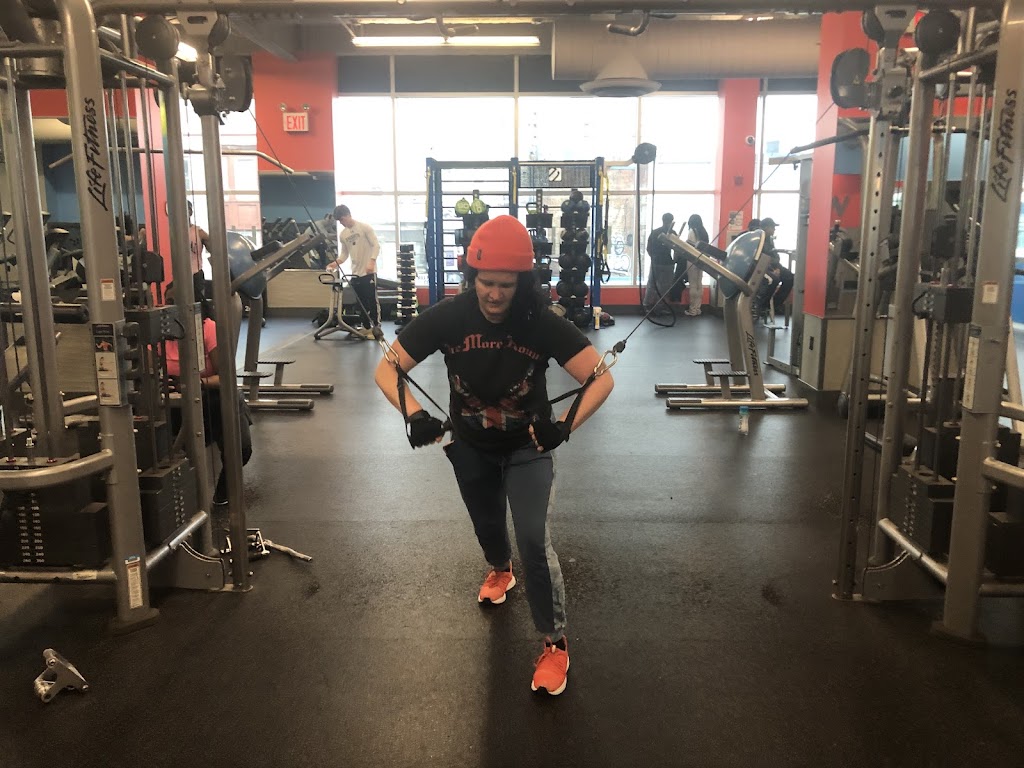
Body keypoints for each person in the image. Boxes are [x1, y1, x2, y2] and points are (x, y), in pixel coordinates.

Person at [373, 215, 614, 696]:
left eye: (506, 284)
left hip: (529, 446)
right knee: (487, 527)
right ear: (472, 277)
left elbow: (601, 377)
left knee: (533, 540)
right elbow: (387, 369)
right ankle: (501, 571)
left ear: (522, 283)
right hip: (470, 445)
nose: (495, 294)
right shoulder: (448, 316)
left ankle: (555, 643)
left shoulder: (539, 321)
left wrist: (563, 426)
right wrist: (414, 414)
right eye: (486, 282)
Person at [163, 283, 253, 506]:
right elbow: (150, 372)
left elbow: (226, 377)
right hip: (174, 403)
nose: (173, 307)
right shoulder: (161, 332)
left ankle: (224, 493)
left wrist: (198, 382)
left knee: (240, 449)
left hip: (212, 396)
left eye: (179, 301)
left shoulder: (208, 328)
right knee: (166, 454)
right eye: (169, 302)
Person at [331, 204, 380, 339]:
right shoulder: (343, 235)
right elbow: (344, 254)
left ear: (348, 215)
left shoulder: (364, 228)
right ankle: (366, 328)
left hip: (368, 272)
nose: (341, 223)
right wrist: (335, 263)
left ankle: (376, 328)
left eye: (342, 219)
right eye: (339, 221)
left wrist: (372, 261)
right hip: (355, 273)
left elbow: (376, 245)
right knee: (361, 303)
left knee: (371, 301)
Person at [753, 217, 794, 318]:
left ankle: (774, 305)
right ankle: (762, 306)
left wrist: (777, 267)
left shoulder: (769, 239)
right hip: (763, 265)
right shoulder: (758, 239)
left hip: (774, 265)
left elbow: (775, 255)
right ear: (766, 228)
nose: (774, 229)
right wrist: (772, 269)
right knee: (773, 279)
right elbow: (758, 257)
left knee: (790, 277)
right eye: (773, 227)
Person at [643, 212, 678, 312]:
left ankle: (646, 305)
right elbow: (676, 249)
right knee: (664, 287)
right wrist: (674, 260)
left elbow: (648, 248)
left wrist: (653, 257)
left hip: (656, 261)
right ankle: (659, 307)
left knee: (651, 284)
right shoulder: (672, 233)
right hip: (667, 262)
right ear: (671, 221)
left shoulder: (655, 232)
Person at [187, 201, 212, 316]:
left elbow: (216, 251)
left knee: (199, 308)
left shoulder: (199, 232)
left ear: (190, 212)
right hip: (178, 276)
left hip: (196, 275)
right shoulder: (173, 232)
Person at [684, 214, 710, 316]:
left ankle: (692, 309)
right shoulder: (704, 232)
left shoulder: (692, 231)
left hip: (692, 259)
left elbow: (689, 247)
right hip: (702, 260)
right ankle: (698, 308)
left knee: (693, 284)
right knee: (699, 284)